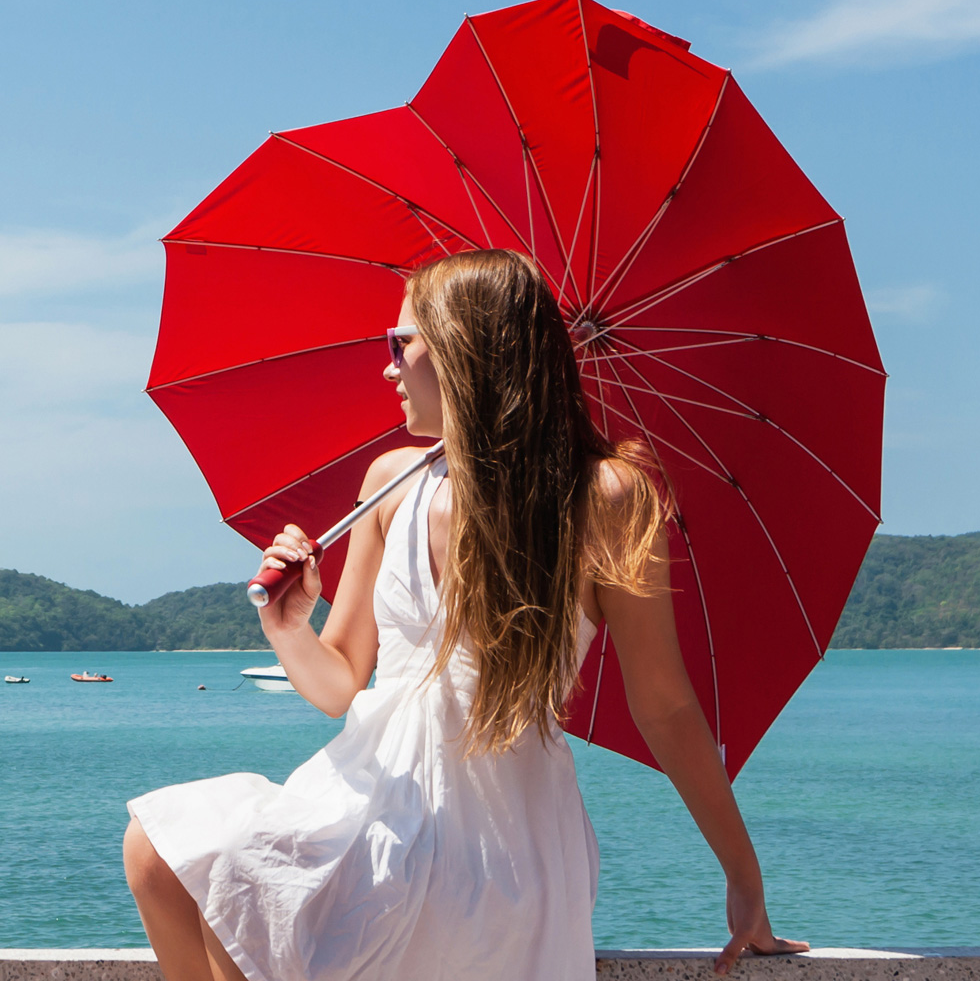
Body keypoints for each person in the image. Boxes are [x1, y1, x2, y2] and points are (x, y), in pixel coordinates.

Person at [123, 249, 807, 981]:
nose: (387, 368)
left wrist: (742, 876)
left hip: (496, 830)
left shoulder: (602, 495)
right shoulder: (390, 483)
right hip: (369, 795)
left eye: (401, 343)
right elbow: (342, 685)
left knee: (244, 884)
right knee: (159, 852)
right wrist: (288, 626)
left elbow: (665, 706)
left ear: (465, 350)